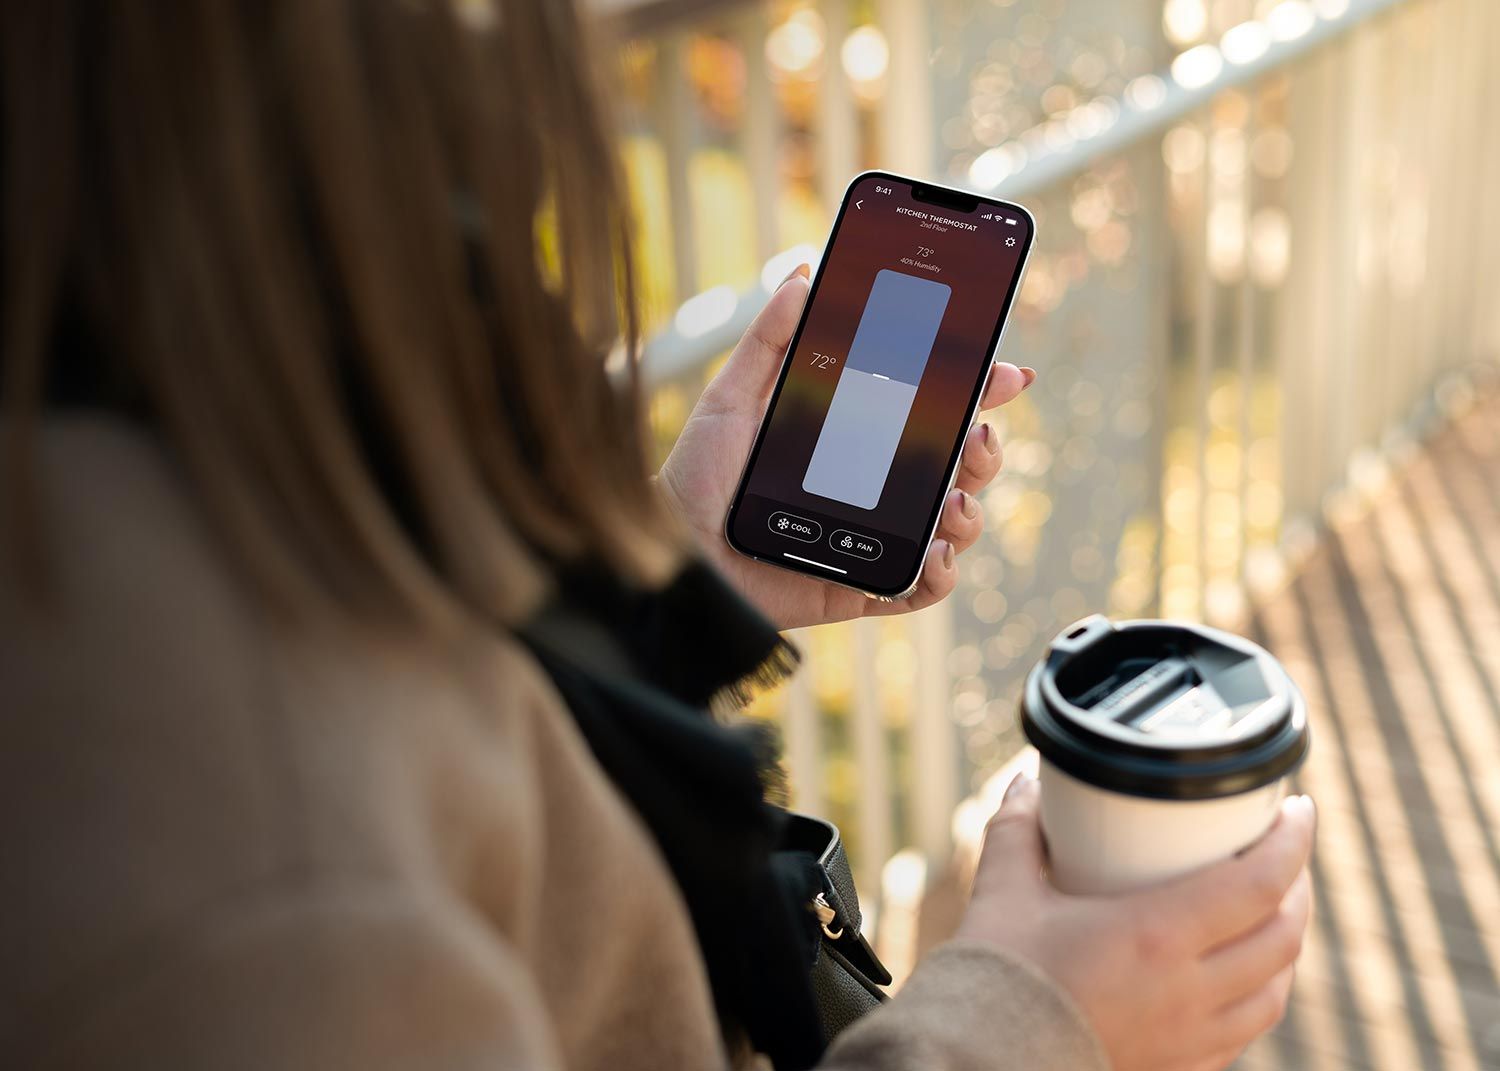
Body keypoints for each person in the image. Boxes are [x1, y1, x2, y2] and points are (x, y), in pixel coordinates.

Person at [0, 2, 1315, 1069]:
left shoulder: (169, 446)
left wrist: (678, 570)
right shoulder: (262, 889)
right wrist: (1033, 1018)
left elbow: (447, 729)